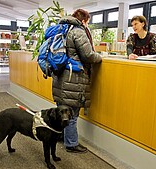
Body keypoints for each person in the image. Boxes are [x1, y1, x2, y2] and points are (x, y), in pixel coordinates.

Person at [52, 9, 102, 153]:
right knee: (72, 115)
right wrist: (99, 57)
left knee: (62, 110)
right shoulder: (78, 31)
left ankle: (62, 136)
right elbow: (88, 55)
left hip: (60, 76)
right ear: (85, 20)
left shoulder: (62, 29)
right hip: (73, 78)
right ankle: (71, 144)